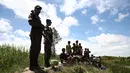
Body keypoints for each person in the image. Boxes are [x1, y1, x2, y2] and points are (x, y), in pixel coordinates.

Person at [28, 5, 44, 71]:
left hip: (39, 35)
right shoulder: (32, 14)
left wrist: (42, 26)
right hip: (34, 34)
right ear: (35, 9)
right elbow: (30, 22)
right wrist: (39, 25)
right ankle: (32, 65)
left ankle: (36, 64)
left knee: (38, 50)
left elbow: (39, 26)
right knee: (33, 50)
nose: (39, 11)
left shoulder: (38, 18)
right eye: (38, 9)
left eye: (40, 9)